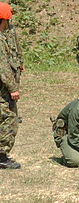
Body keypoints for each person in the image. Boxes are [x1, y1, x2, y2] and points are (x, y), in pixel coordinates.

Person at [0, 2, 21, 169]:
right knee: (9, 118)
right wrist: (13, 88)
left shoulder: (5, 35)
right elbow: (3, 67)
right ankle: (1, 156)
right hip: (3, 88)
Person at [4, 8, 24, 116]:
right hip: (6, 64)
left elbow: (17, 46)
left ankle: (13, 111)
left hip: (13, 64)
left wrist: (20, 61)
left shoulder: (11, 29)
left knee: (14, 88)